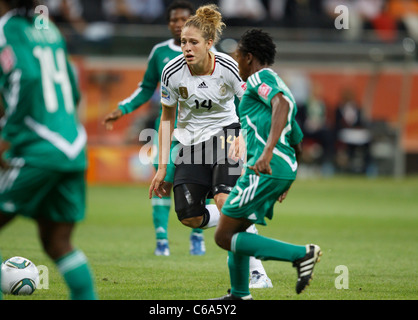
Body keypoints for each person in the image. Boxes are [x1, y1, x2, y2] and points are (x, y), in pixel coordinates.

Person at [0, 0, 97, 300]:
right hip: (73, 146)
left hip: (36, 145)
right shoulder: (48, 27)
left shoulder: (4, 30)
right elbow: (74, 88)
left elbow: (23, 76)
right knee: (58, 243)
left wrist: (5, 137)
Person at [149, 4, 272, 289]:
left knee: (222, 199)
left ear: (208, 44)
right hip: (191, 142)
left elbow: (252, 103)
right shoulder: (171, 72)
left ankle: (257, 273)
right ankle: (243, 213)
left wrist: (243, 135)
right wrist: (162, 166)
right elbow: (167, 118)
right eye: (183, 42)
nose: (187, 47)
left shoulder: (228, 66)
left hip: (226, 133)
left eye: (193, 42)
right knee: (190, 217)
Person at [212, 29, 322, 300]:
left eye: (237, 55)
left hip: (263, 168)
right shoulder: (270, 82)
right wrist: (288, 175)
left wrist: (267, 152)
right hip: (276, 169)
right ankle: (240, 295)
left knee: (223, 236)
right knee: (236, 229)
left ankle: (301, 254)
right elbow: (295, 133)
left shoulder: (261, 77)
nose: (234, 60)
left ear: (248, 57)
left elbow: (281, 104)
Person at [103, 1, 208, 257]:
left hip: (199, 130)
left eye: (183, 19)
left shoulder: (207, 51)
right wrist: (123, 108)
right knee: (162, 182)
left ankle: (197, 236)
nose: (177, 24)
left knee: (198, 184)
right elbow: (145, 87)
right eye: (173, 20)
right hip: (167, 130)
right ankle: (162, 241)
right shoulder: (159, 52)